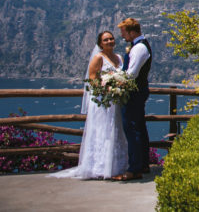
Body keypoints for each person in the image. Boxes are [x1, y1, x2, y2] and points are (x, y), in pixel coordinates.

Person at [49, 31, 129, 180]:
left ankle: (117, 166)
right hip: (102, 102)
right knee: (102, 131)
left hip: (115, 102)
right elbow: (92, 79)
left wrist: (119, 85)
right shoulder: (98, 58)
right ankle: (99, 167)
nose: (110, 41)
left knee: (116, 130)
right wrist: (108, 87)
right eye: (106, 40)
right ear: (100, 43)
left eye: (111, 39)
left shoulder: (118, 57)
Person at [113, 17, 152, 181]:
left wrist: (113, 79)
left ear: (131, 31)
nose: (122, 36)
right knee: (139, 129)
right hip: (138, 92)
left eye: (123, 32)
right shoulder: (140, 46)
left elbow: (131, 74)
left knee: (132, 129)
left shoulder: (139, 48)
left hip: (134, 94)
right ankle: (143, 164)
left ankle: (134, 169)